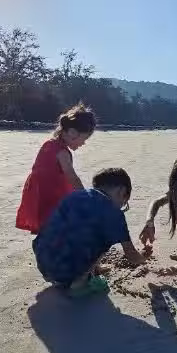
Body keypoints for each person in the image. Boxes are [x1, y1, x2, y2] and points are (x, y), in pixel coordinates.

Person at [33, 167, 147, 297]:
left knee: (83, 232)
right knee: (104, 236)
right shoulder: (114, 214)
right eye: (124, 202)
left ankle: (85, 271)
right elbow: (132, 256)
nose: (121, 206)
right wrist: (144, 256)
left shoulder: (74, 195)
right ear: (121, 191)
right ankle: (78, 284)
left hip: (43, 261)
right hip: (65, 272)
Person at [16, 103, 96, 235]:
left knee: (47, 228)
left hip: (40, 193)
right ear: (72, 132)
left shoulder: (49, 144)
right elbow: (72, 177)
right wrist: (86, 197)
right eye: (84, 138)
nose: (83, 143)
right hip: (51, 196)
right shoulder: (62, 152)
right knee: (56, 227)